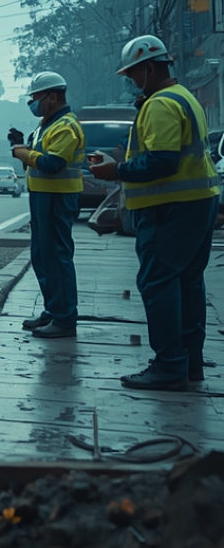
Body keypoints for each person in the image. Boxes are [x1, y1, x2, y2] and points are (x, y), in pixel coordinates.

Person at [89, 35, 220, 391]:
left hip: (170, 210)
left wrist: (116, 169)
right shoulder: (186, 98)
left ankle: (168, 365)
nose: (131, 81)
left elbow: (163, 160)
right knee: (188, 282)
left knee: (157, 283)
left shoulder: (161, 104)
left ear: (149, 68)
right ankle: (189, 362)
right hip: (199, 202)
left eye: (133, 74)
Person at [8, 71, 84, 339]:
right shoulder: (47, 124)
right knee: (42, 256)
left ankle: (65, 319)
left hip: (58, 198)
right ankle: (53, 309)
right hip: (42, 196)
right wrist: (20, 145)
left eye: (37, 98)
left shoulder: (66, 126)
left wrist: (23, 152)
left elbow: (52, 164)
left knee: (57, 257)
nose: (33, 103)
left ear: (53, 96)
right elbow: (38, 157)